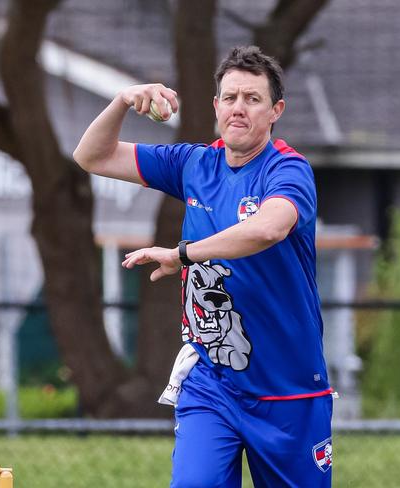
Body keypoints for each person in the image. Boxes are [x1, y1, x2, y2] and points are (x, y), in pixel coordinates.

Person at [74, 45, 333, 488]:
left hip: (288, 389)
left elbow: (268, 228)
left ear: (276, 111)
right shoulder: (195, 164)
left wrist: (183, 254)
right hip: (212, 384)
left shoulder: (288, 169)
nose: (238, 108)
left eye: (252, 99)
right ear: (215, 106)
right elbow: (92, 156)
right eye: (230, 98)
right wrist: (121, 101)